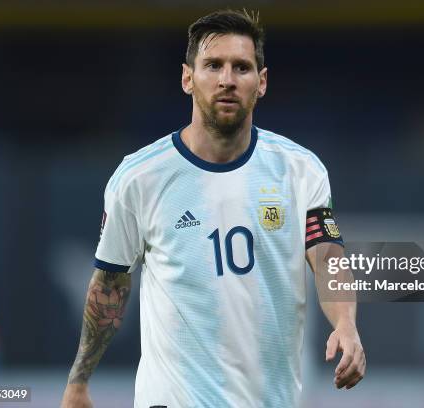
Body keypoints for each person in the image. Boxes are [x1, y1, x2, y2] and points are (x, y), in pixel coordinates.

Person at [61, 9, 365, 408]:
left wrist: (346, 323)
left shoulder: (300, 170)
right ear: (188, 78)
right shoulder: (140, 178)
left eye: (241, 67)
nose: (226, 79)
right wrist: (79, 381)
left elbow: (326, 258)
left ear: (262, 82)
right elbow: (109, 285)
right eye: (213, 65)